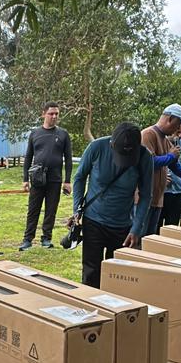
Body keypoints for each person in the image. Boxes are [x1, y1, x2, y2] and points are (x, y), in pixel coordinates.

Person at [71, 122, 153, 287]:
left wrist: (136, 228)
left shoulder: (145, 157)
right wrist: (77, 209)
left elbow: (146, 195)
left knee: (117, 276)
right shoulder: (97, 148)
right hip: (93, 220)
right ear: (112, 145)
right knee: (91, 273)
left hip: (123, 226)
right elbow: (79, 178)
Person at [142, 103, 181, 235]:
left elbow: (177, 168)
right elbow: (148, 163)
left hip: (157, 201)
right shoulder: (148, 135)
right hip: (143, 201)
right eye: (177, 126)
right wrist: (171, 155)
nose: (178, 131)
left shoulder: (166, 141)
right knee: (140, 241)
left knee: (152, 241)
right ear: (170, 119)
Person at [18, 101, 73, 250]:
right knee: (33, 209)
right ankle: (27, 239)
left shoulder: (63, 134)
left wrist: (67, 181)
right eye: (51, 113)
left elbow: (68, 158)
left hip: (55, 179)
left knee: (51, 210)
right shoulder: (35, 134)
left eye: (56, 114)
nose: (54, 116)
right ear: (43, 114)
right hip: (37, 177)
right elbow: (28, 157)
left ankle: (46, 238)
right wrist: (25, 179)